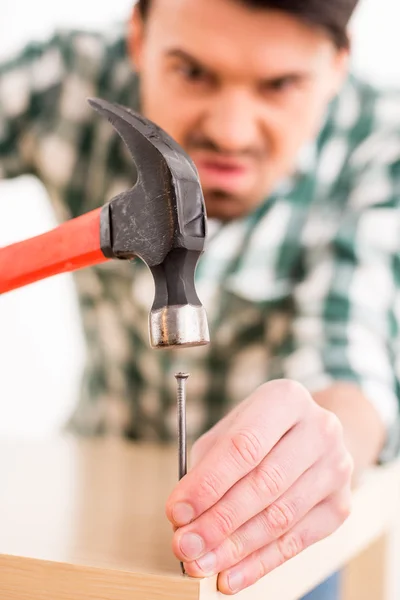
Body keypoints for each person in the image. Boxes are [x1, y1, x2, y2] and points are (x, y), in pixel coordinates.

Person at [1, 0, 399, 597]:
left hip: (268, 535)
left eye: (280, 85)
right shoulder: (66, 76)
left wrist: (325, 437)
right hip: (88, 485)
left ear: (339, 65)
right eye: (192, 72)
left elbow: (350, 353)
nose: (230, 131)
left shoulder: (379, 146)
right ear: (137, 36)